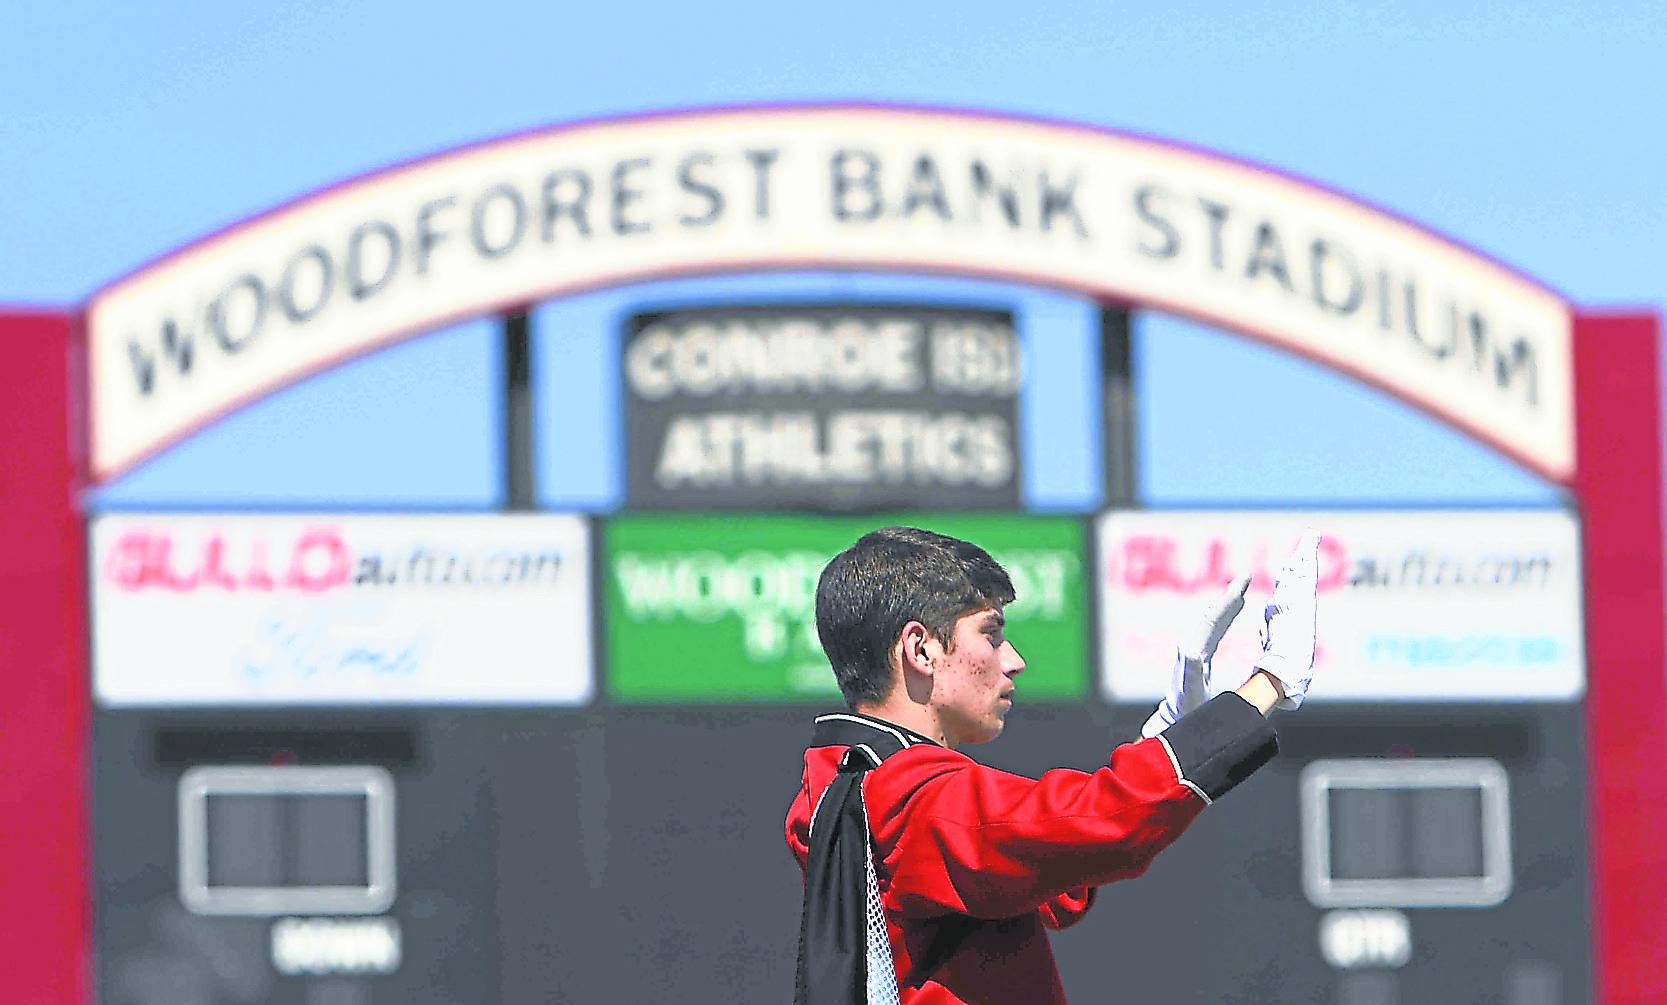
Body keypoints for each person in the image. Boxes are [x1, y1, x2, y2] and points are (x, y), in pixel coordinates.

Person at [786, 525, 1319, 1005]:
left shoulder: (848, 782)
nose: (1013, 660)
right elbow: (1099, 822)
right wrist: (1265, 685)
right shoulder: (907, 795)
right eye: (991, 634)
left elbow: (1052, 869)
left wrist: (1172, 731)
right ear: (921, 650)